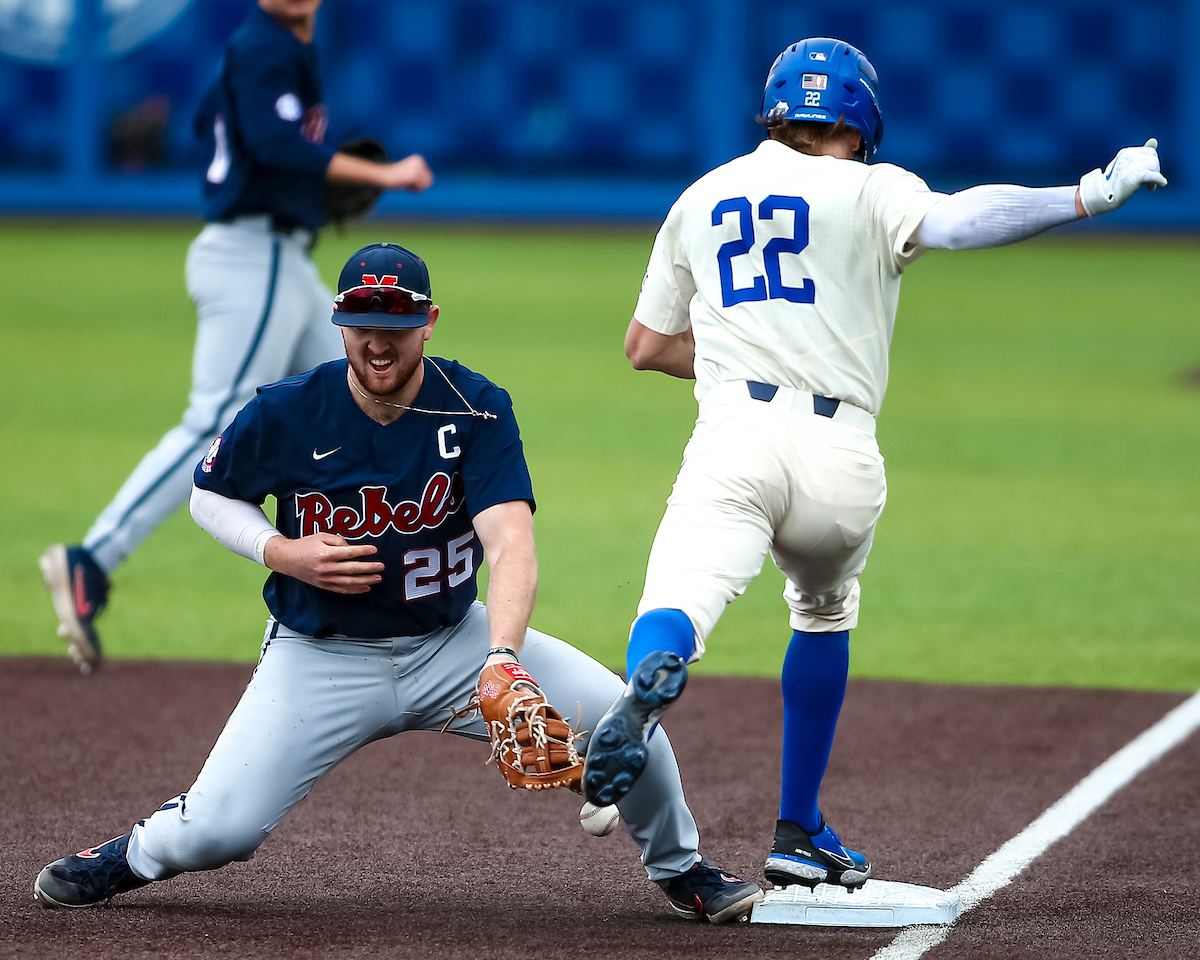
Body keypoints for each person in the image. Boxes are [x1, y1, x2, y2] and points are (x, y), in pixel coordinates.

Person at [32, 243, 765, 925]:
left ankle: (681, 868)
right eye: (361, 324)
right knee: (218, 832)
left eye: (397, 324)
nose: (378, 342)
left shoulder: (475, 408)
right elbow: (208, 494)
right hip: (319, 656)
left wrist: (503, 658)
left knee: (623, 720)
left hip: (452, 644)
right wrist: (280, 551)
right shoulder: (290, 408)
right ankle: (129, 854)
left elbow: (510, 541)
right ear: (339, 323)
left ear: (428, 323)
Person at [581, 37, 1167, 891]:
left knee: (675, 600)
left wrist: (739, 355)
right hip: (840, 457)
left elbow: (644, 347)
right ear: (859, 123)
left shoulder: (701, 196)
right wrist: (1087, 193)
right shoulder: (871, 187)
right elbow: (964, 219)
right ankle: (796, 826)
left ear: (775, 115)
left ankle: (646, 687)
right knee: (822, 612)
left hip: (735, 436)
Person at [40, 0, 434, 672]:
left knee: (371, 404)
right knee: (215, 422)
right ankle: (90, 561)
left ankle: (391, 593)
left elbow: (210, 122)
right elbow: (277, 145)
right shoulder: (265, 47)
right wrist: (383, 174)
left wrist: (306, 187)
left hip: (279, 258)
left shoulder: (271, 50)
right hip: (254, 258)